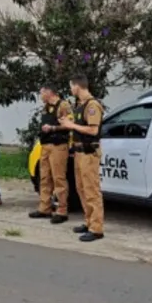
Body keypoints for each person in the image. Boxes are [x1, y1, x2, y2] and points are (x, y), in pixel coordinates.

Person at [58, 75, 104, 242]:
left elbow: (93, 130)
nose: (71, 90)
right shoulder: (79, 105)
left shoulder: (92, 105)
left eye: (71, 86)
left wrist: (71, 126)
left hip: (89, 153)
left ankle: (97, 228)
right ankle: (89, 222)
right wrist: (68, 123)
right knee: (82, 189)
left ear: (77, 86)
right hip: (78, 152)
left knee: (91, 190)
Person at [29, 85, 72, 223]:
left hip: (58, 146)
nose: (40, 96)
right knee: (44, 178)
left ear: (49, 93)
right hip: (45, 146)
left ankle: (62, 210)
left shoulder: (63, 105)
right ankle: (45, 207)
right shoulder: (46, 107)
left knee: (58, 178)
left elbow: (69, 124)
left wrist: (53, 128)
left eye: (41, 93)